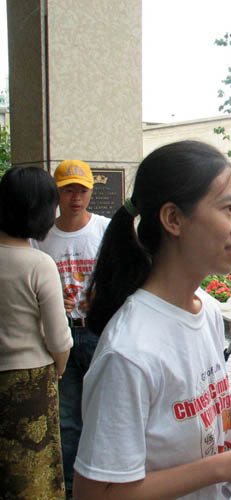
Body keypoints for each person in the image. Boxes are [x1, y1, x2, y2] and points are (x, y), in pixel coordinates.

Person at [73, 141, 231, 499]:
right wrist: (222, 467)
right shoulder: (129, 351)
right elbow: (96, 494)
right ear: (174, 219)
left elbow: (180, 437)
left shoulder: (206, 310)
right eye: (227, 208)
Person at [32, 159, 110, 498]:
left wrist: (102, 295)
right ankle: (70, 488)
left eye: (81, 190)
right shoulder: (41, 236)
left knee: (104, 412)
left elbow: (126, 275)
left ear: (90, 191)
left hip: (97, 332)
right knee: (66, 419)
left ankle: (107, 483)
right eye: (68, 191)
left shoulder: (106, 229)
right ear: (56, 194)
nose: (75, 198)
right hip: (60, 336)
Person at [0, 167, 73, 499]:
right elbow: (59, 338)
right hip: (30, 383)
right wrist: (59, 367)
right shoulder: (38, 264)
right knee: (33, 476)